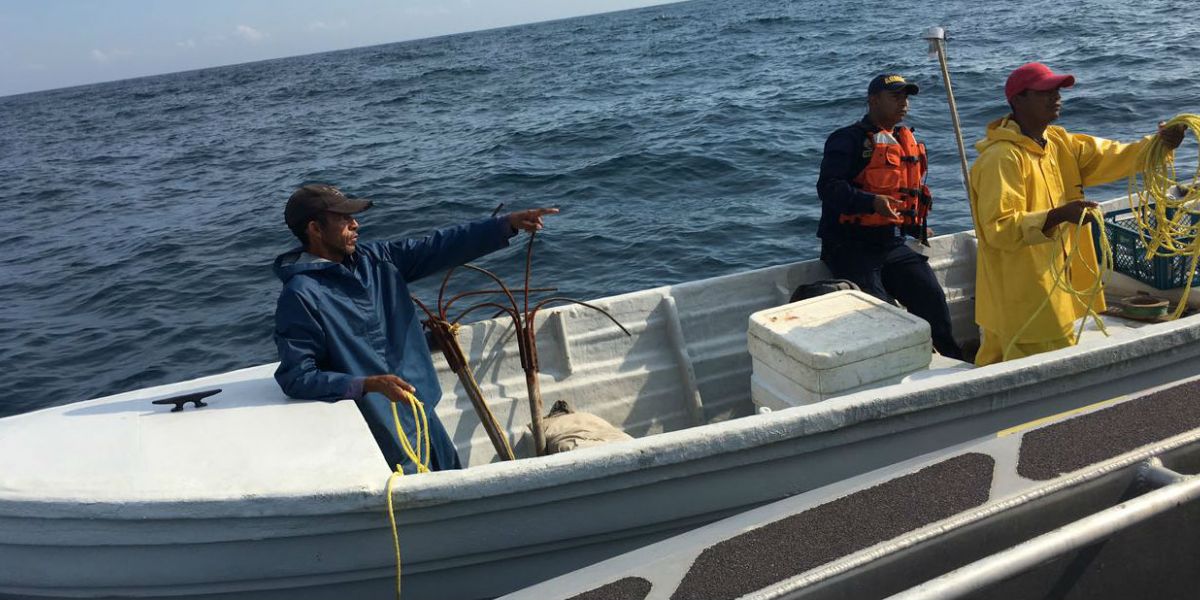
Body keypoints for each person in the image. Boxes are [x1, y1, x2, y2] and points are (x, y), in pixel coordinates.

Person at [272, 183, 559, 472]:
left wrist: (504, 225)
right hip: (381, 432)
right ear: (315, 229)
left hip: (423, 410)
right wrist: (367, 385)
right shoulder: (301, 295)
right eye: (344, 219)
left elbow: (437, 246)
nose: (355, 224)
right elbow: (297, 376)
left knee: (454, 482)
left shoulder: (377, 260)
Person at [969, 62, 1185, 366]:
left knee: (1015, 373)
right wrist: (1058, 215)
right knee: (1035, 381)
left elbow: (1115, 156)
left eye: (1057, 90)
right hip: (1024, 299)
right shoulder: (1001, 159)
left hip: (1054, 290)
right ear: (1018, 100)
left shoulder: (1058, 143)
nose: (1055, 97)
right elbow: (999, 228)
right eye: (1045, 91)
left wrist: (1159, 145)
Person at [816, 73, 963, 359]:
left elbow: (900, 195)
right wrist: (871, 203)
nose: (903, 103)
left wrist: (914, 227)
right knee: (885, 318)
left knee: (932, 298)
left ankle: (952, 361)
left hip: (891, 244)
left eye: (906, 97)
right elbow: (828, 188)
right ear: (873, 101)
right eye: (896, 97)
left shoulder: (901, 140)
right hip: (849, 248)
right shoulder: (848, 139)